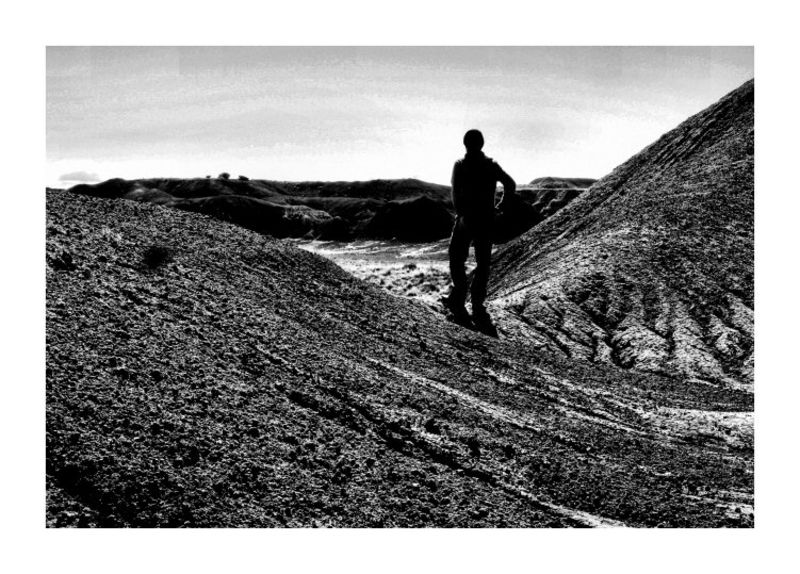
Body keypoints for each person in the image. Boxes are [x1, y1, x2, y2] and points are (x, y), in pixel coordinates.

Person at [445, 129, 516, 326]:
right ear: (481, 144)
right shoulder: (490, 165)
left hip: (466, 219)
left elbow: (455, 193)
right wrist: (501, 206)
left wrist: (461, 213)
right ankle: (477, 303)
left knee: (456, 258)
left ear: (465, 144)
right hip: (485, 219)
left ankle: (459, 297)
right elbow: (510, 184)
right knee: (483, 263)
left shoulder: (460, 165)